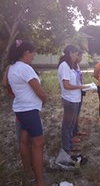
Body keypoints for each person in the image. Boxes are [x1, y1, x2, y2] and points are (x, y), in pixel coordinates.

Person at [7, 40, 47, 186]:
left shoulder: (11, 67)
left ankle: (27, 173)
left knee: (24, 140)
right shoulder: (25, 68)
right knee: (38, 143)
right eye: (32, 53)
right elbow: (39, 91)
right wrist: (45, 99)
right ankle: (40, 181)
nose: (33, 56)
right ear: (26, 53)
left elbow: (6, 84)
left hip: (20, 108)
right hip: (29, 110)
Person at [57, 45, 89, 159]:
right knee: (67, 126)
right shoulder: (64, 66)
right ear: (70, 53)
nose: (77, 56)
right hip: (69, 100)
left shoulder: (71, 66)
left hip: (75, 99)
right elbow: (66, 85)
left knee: (71, 125)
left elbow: (73, 80)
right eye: (75, 54)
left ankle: (70, 146)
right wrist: (82, 87)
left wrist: (81, 82)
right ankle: (66, 150)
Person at [72, 50, 87, 143]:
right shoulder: (70, 66)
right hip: (72, 95)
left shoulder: (77, 65)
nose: (81, 59)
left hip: (79, 92)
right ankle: (72, 135)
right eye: (80, 56)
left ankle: (76, 131)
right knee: (73, 116)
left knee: (77, 114)